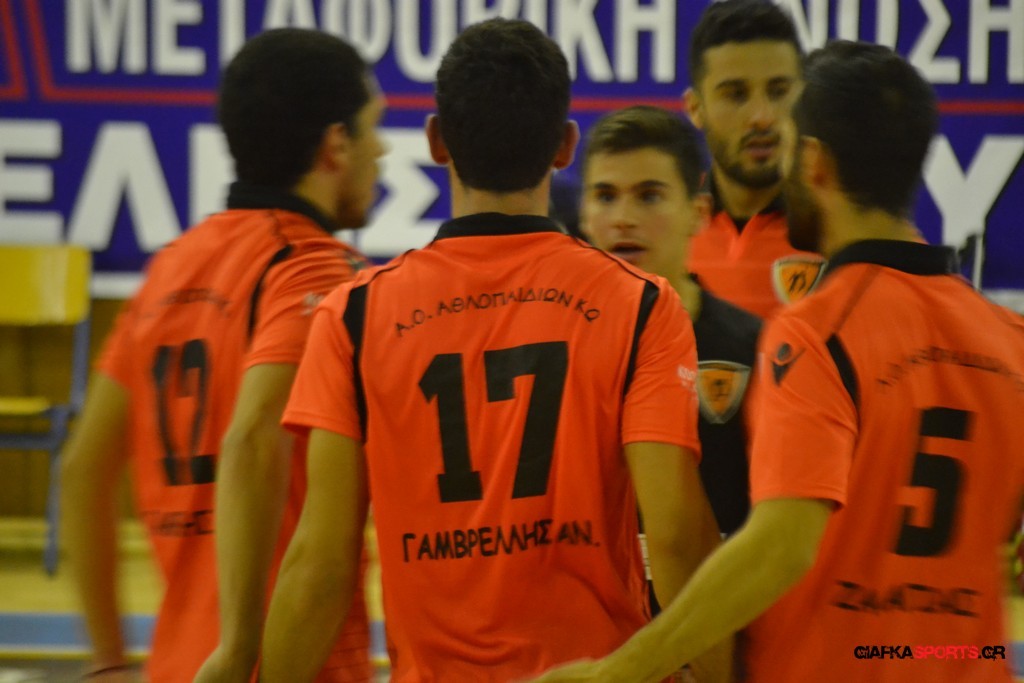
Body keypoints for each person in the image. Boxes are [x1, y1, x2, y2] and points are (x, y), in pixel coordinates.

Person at [530, 40, 1024, 683]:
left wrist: (618, 672)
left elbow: (781, 545)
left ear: (814, 162)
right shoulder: (1008, 337)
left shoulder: (819, 332)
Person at [261, 18, 725, 683]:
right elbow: (675, 534)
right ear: (565, 147)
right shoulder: (641, 304)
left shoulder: (353, 315)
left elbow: (320, 565)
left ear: (436, 141)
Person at [60, 28, 385, 683]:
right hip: (287, 666)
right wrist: (239, 648)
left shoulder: (173, 267)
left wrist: (106, 660)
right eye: (374, 128)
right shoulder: (318, 270)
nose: (382, 150)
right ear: (335, 145)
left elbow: (82, 469)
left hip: (179, 666)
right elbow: (253, 438)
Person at [580, 106, 760, 541]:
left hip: (713, 585)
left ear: (699, 212)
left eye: (648, 196)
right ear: (584, 215)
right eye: (605, 196)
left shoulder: (754, 348)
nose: (623, 217)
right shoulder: (554, 350)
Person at [685, 0, 824, 319]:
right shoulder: (665, 226)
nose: (762, 117)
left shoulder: (841, 226)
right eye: (736, 95)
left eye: (778, 91)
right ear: (695, 108)